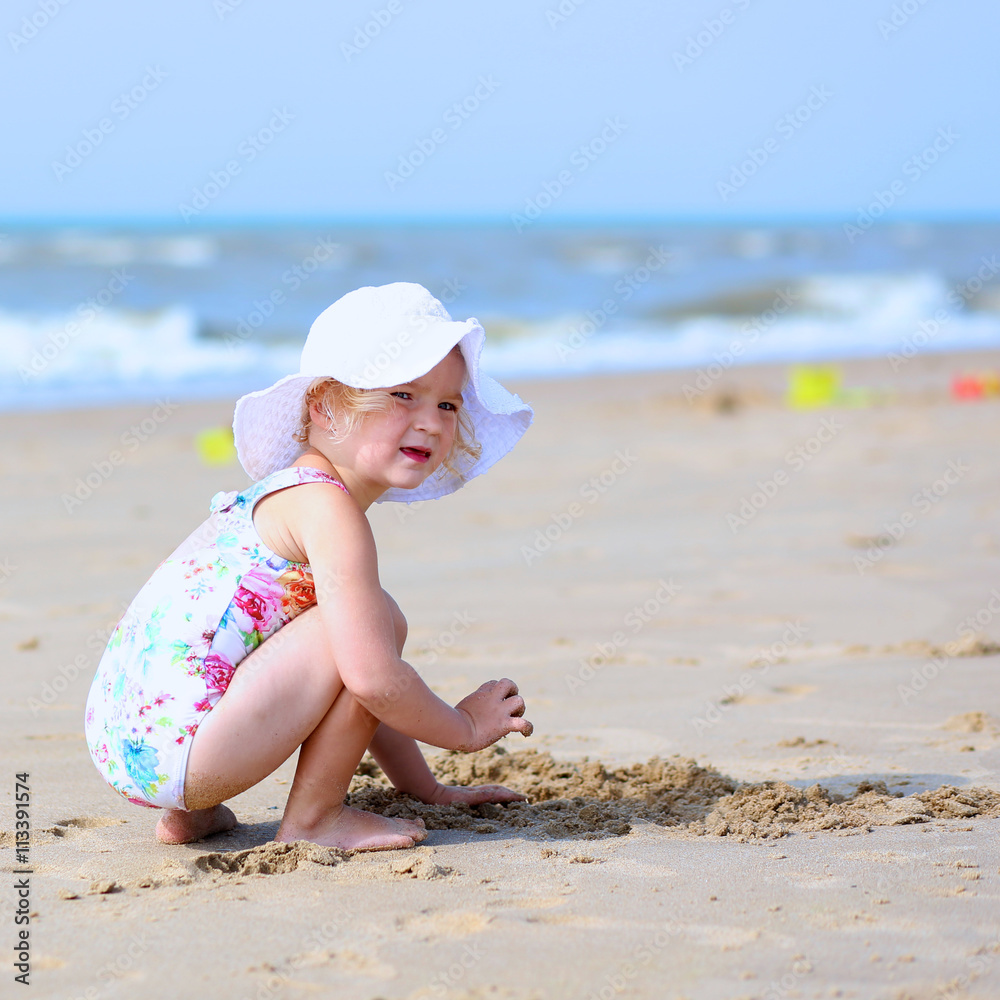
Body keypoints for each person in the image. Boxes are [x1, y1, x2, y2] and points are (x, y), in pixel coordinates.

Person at [84, 282, 535, 851]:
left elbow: (363, 683)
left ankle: (190, 815)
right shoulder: (330, 512)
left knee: (365, 625)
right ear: (324, 406)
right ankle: (315, 819)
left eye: (447, 404)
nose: (431, 421)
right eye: (401, 395)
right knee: (375, 628)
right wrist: (463, 728)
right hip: (183, 751)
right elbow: (372, 680)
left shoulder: (284, 493)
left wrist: (426, 789)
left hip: (126, 743)